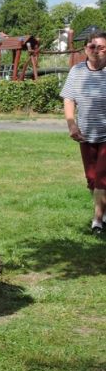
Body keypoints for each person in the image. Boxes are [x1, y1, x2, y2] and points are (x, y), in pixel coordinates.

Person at [60, 30, 106, 234]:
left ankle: (97, 221)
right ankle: (103, 212)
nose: (96, 51)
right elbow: (69, 99)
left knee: (102, 178)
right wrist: (72, 124)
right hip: (86, 134)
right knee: (92, 179)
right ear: (85, 49)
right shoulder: (77, 71)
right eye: (92, 47)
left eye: (101, 47)